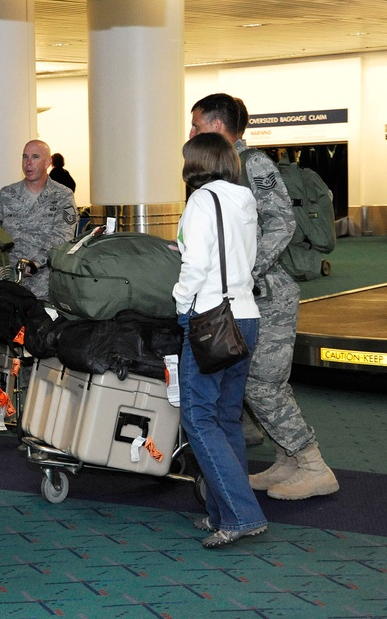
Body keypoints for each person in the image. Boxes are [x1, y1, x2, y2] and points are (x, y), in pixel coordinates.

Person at [189, 93, 339, 501]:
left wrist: (249, 269)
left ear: (217, 126)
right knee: (260, 381)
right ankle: (288, 461)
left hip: (267, 293)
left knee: (262, 385)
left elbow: (282, 221)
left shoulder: (252, 164)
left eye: (197, 125)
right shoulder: (222, 168)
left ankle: (313, 465)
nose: (192, 133)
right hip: (242, 293)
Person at [173, 132, 266, 548]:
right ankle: (220, 513)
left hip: (211, 317)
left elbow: (195, 263)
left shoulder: (200, 201)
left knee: (197, 416)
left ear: (196, 162)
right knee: (226, 417)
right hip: (245, 316)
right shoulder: (243, 199)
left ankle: (242, 514)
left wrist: (181, 304)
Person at [0, 139, 79, 301]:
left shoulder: (62, 195)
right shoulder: (6, 195)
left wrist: (35, 263)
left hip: (48, 287)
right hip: (11, 285)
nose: (28, 163)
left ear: (47, 162)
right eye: (24, 157)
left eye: (35, 157)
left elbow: (63, 236)